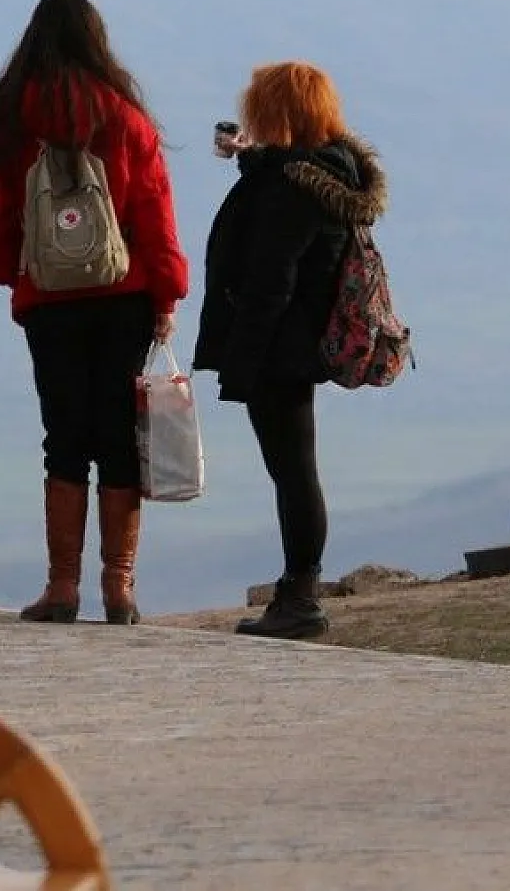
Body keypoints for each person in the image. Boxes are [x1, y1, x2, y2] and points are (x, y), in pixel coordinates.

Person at [0, 0, 189, 626]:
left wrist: (15, 270)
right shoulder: (125, 119)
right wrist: (166, 293)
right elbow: (154, 214)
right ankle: (120, 586)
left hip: (49, 303)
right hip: (125, 297)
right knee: (119, 436)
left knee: (62, 434)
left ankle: (62, 585)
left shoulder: (6, 121)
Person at [192, 61, 387, 640]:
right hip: (296, 342)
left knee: (294, 472)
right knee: (295, 468)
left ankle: (301, 596)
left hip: (280, 349)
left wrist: (241, 365)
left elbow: (270, 281)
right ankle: (298, 591)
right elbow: (286, 185)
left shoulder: (293, 190)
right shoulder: (322, 173)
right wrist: (254, 159)